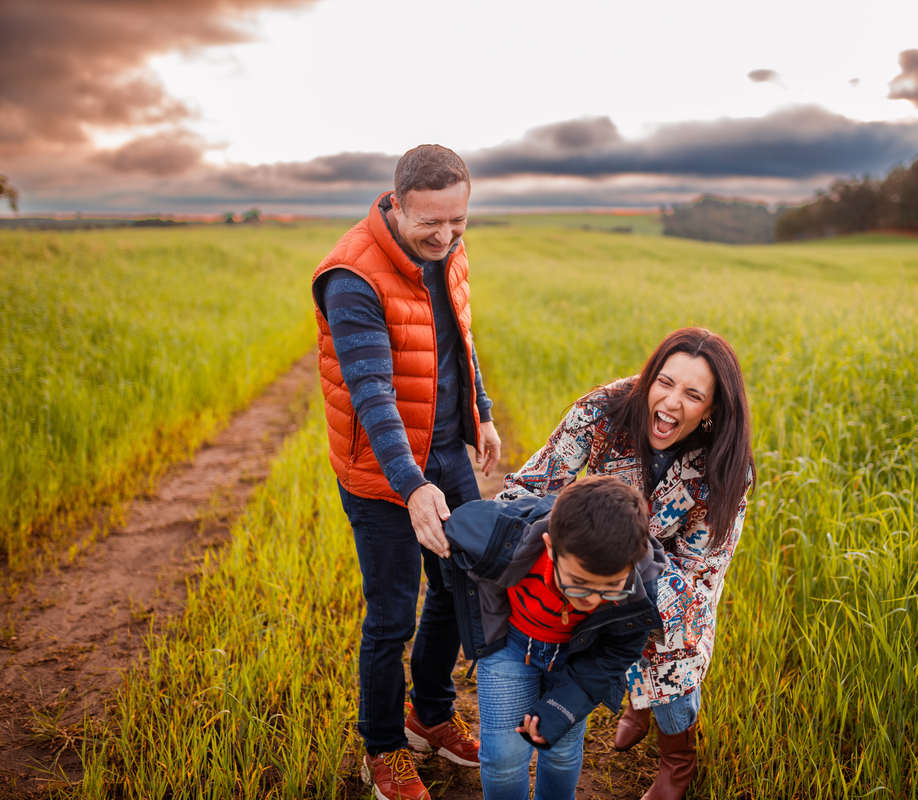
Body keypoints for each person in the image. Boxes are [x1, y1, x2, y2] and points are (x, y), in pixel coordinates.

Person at [310, 144, 503, 800]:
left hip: (447, 448)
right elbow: (372, 395)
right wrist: (410, 483)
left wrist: (481, 414)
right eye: (432, 225)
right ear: (396, 204)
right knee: (392, 614)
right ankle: (384, 747)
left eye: (459, 223)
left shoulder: (448, 250)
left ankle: (431, 715)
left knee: (460, 584)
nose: (446, 237)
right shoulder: (351, 276)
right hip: (380, 470)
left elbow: (461, 342)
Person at [497, 327, 756, 800]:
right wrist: (565, 545)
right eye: (665, 381)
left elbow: (699, 577)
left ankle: (677, 760)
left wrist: (628, 576)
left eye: (693, 394)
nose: (672, 402)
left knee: (679, 636)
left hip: (667, 576)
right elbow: (531, 486)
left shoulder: (726, 465)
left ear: (712, 410)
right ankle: (632, 696)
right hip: (597, 550)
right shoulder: (603, 410)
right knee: (580, 597)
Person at [441, 475, 667, 800]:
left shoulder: (637, 587)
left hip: (576, 660)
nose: (590, 599)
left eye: (609, 588)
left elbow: (615, 653)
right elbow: (457, 536)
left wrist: (563, 707)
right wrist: (468, 603)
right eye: (578, 582)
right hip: (511, 645)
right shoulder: (508, 536)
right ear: (550, 547)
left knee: (561, 751)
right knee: (503, 757)